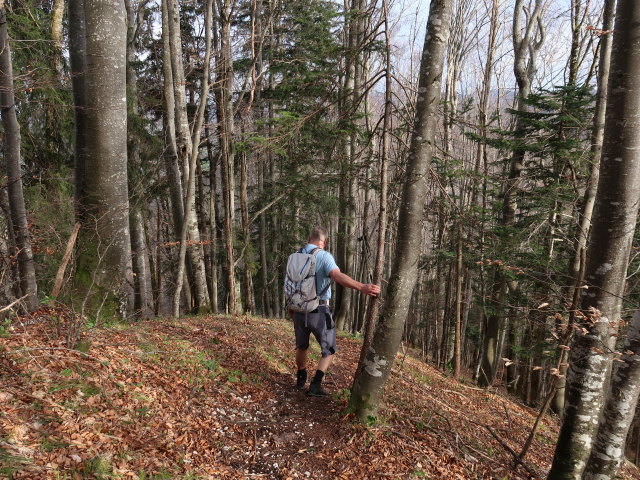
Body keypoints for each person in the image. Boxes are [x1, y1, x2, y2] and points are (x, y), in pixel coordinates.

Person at [291, 226, 381, 396]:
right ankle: (316, 384)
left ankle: (301, 377)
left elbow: (291, 282)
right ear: (324, 242)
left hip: (297, 308)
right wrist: (362, 287)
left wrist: (291, 306)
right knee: (329, 349)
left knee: (301, 345)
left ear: (308, 238)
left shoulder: (295, 256)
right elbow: (337, 276)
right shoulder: (324, 256)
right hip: (318, 310)